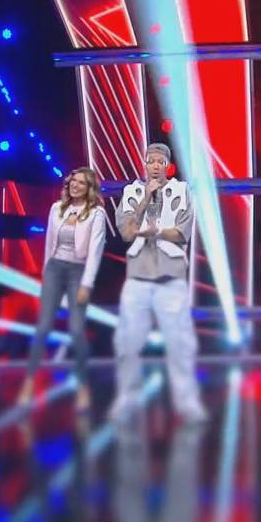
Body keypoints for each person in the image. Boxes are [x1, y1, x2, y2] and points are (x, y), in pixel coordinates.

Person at [108, 143, 207, 424]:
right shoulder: (132, 192)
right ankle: (127, 399)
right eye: (150, 161)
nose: (154, 165)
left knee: (180, 342)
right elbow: (126, 232)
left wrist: (156, 231)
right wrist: (145, 199)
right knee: (127, 341)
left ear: (167, 165)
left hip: (170, 274)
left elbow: (182, 233)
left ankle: (186, 401)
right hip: (138, 275)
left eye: (160, 161)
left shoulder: (182, 191)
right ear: (144, 163)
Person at [18, 167, 107, 413]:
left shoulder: (96, 214)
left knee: (77, 331)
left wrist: (87, 284)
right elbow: (49, 244)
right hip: (55, 269)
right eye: (73, 181)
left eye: (81, 183)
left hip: (78, 271)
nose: (75, 185)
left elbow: (95, 251)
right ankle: (28, 383)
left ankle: (83, 388)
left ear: (89, 188)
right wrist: (46, 275)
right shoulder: (56, 209)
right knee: (43, 328)